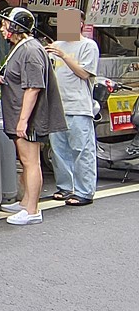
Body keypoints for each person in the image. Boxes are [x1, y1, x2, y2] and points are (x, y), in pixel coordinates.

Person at [0, 7, 67, 225]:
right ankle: (26, 202)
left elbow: (33, 87)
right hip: (20, 114)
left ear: (16, 27)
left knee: (30, 161)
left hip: (29, 117)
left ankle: (32, 209)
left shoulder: (30, 50)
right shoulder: (22, 48)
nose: (2, 28)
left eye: (5, 24)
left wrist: (23, 121)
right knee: (26, 161)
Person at [45, 11, 99, 206]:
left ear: (81, 24)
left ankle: (85, 191)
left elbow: (84, 73)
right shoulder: (57, 45)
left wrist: (64, 56)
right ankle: (65, 187)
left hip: (78, 106)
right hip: (58, 106)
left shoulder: (88, 45)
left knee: (81, 149)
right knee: (59, 150)